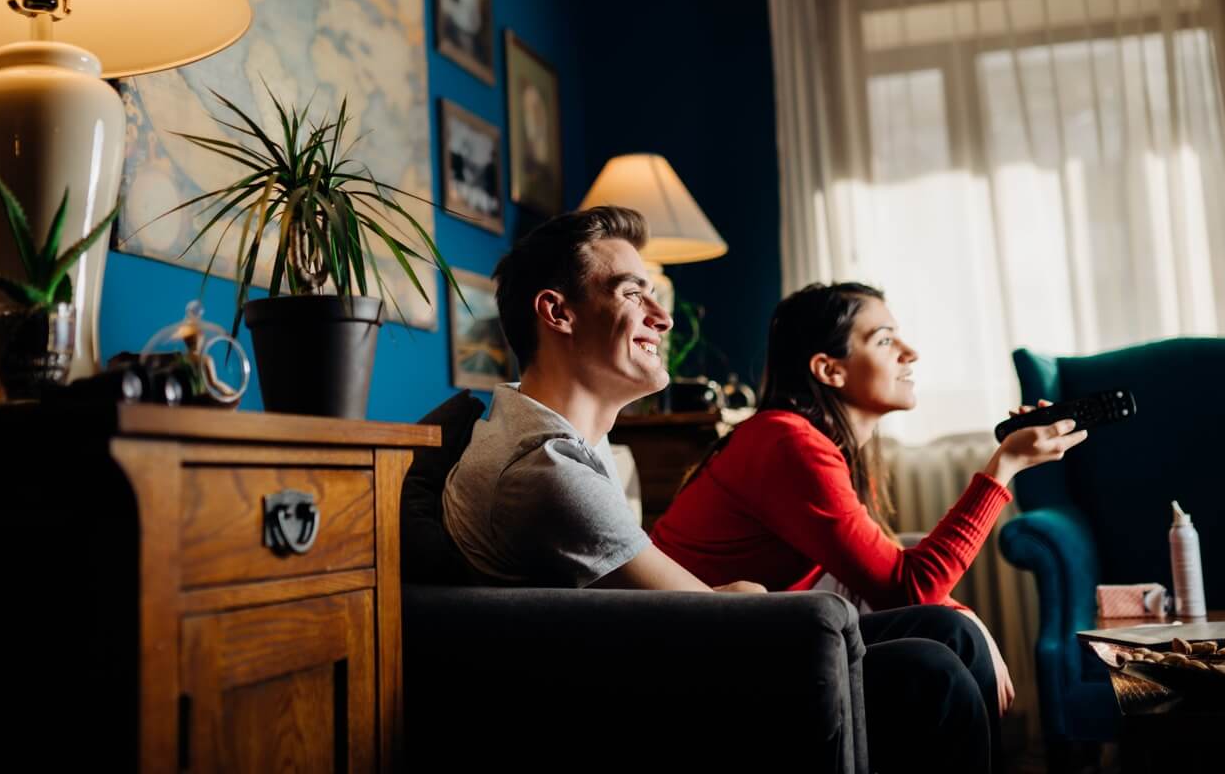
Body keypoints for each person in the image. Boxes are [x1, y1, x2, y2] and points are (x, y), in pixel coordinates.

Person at [442, 210, 1003, 771]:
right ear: (557, 312)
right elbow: (720, 619)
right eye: (635, 295)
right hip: (643, 683)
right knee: (936, 673)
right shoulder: (547, 468)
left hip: (655, 646)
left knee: (946, 627)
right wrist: (743, 597)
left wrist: (744, 596)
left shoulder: (561, 437)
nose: (662, 318)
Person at [651, 282, 1088, 753]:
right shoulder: (790, 444)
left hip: (765, 638)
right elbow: (907, 585)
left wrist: (967, 617)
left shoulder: (818, 444)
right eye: (884, 340)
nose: (910, 352)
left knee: (955, 632)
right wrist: (1003, 467)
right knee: (943, 656)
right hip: (706, 659)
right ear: (829, 370)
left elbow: (887, 569)